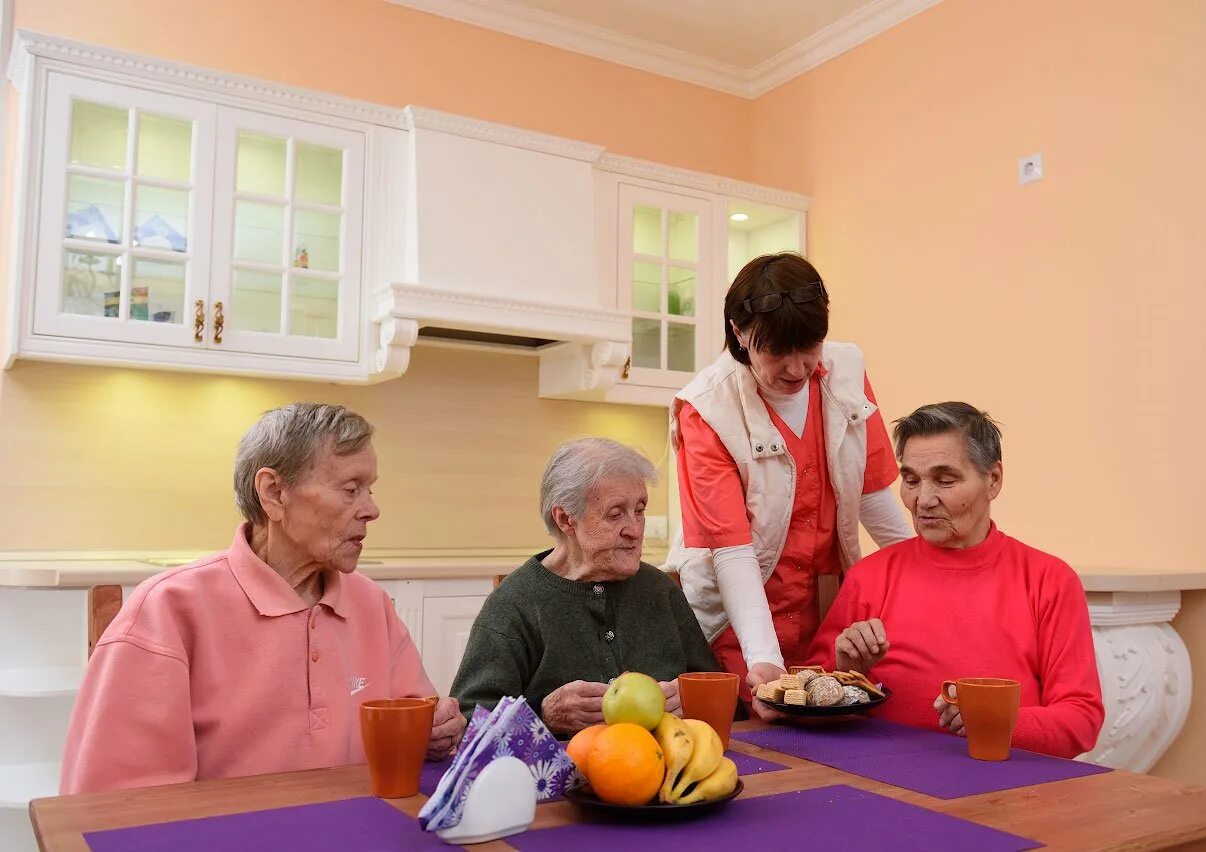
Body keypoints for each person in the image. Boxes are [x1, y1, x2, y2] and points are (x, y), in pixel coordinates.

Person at [61, 403, 466, 794]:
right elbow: (116, 805)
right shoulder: (167, 611)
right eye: (350, 489)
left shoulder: (371, 604)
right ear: (273, 493)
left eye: (370, 489)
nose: (372, 509)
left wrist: (435, 734)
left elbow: (417, 720)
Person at [665, 253, 912, 705]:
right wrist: (765, 662)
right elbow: (732, 551)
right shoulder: (708, 410)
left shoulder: (846, 373)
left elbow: (871, 496)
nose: (798, 369)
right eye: (777, 352)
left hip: (825, 615)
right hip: (736, 625)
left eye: (810, 348)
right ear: (739, 334)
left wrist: (924, 581)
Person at [807, 402, 1104, 758]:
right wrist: (847, 671)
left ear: (993, 480)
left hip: (1008, 786)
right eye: (911, 481)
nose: (923, 500)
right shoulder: (869, 576)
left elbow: (1081, 718)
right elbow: (808, 694)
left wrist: (996, 723)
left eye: (945, 480)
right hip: (884, 779)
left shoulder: (1049, 580)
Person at [450, 438, 722, 735]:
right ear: (566, 519)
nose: (635, 529)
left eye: (640, 510)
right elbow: (469, 724)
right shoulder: (515, 603)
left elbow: (723, 698)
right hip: (564, 778)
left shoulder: (660, 589)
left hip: (668, 769)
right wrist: (542, 716)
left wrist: (694, 699)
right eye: (615, 514)